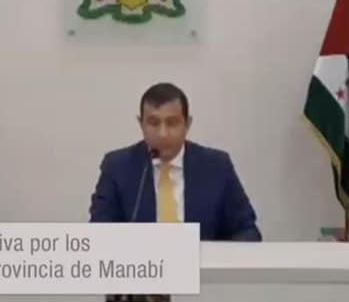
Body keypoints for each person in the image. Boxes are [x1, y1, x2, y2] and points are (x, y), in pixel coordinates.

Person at [89, 82, 261, 241]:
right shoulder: (117, 167)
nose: (163, 134)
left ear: (187, 124)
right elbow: (100, 234)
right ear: (141, 124)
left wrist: (212, 257)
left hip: (201, 263)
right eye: (153, 123)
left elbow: (247, 232)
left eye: (172, 123)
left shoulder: (216, 167)